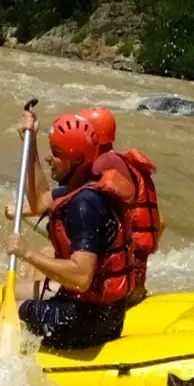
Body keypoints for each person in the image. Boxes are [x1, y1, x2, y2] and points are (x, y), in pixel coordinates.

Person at [0, 109, 136, 349]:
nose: (51, 158)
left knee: (5, 311)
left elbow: (81, 277)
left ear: (78, 160)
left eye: (57, 153)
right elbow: (39, 199)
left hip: (89, 321)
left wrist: (28, 253)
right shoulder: (81, 186)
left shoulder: (85, 205)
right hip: (95, 311)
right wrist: (31, 144)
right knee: (8, 294)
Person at [78, 107, 165, 306]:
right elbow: (162, 223)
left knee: (47, 258)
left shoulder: (103, 164)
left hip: (115, 292)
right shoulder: (126, 165)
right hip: (134, 282)